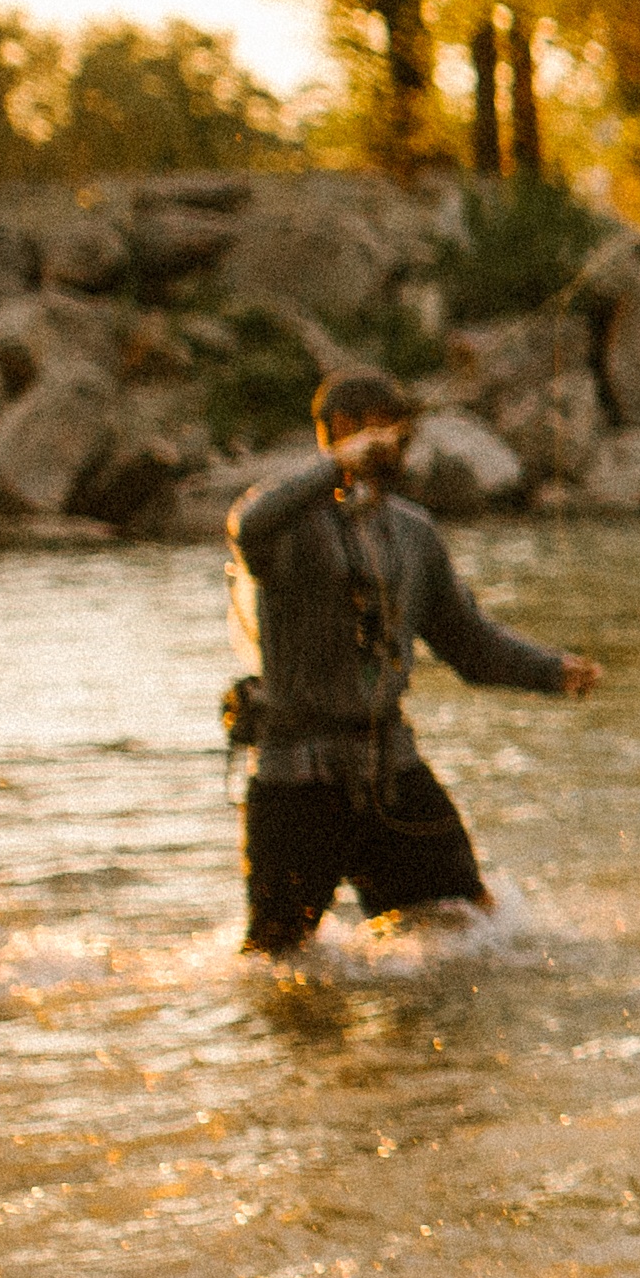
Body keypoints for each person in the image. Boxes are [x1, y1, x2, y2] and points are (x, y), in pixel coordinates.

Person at [224, 368, 601, 955]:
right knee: (276, 960)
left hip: (391, 770)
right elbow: (247, 526)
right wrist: (338, 464)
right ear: (339, 431)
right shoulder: (287, 526)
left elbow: (470, 646)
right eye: (381, 431)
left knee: (471, 930)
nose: (398, 446)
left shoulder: (414, 532)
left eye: (400, 433)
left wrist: (552, 671)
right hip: (295, 775)